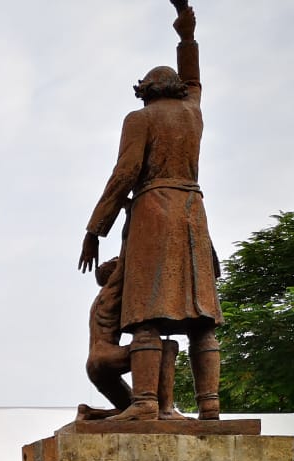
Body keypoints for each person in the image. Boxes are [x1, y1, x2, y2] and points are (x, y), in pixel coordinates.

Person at [78, 0, 222, 421]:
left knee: (146, 310)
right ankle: (209, 405)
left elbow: (124, 174)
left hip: (154, 215)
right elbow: (196, 82)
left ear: (145, 91)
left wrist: (95, 229)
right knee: (202, 316)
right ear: (177, 90)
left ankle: (143, 402)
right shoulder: (193, 113)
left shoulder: (139, 119)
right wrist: (187, 36)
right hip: (193, 214)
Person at [78, 255, 182, 421]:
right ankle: (166, 409)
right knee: (168, 346)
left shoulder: (102, 298)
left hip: (97, 364)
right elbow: (130, 261)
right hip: (105, 356)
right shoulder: (112, 289)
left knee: (130, 410)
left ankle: (89, 413)